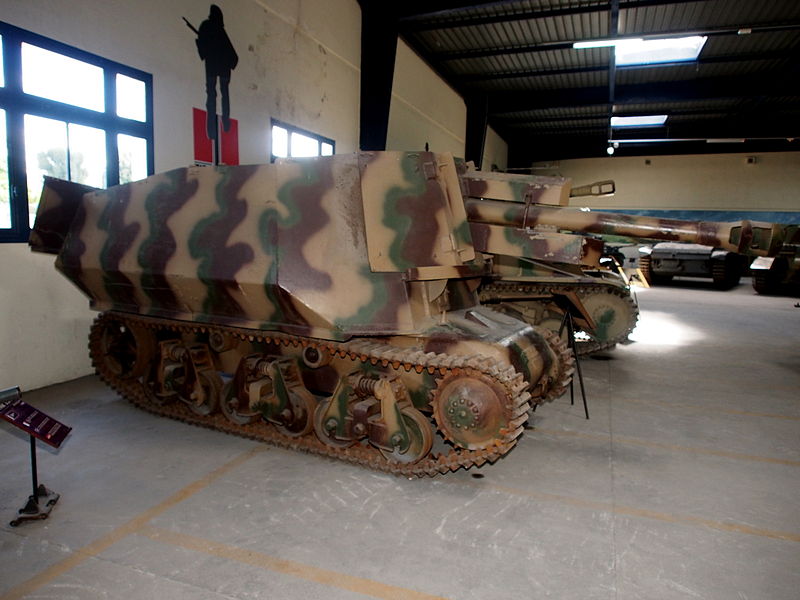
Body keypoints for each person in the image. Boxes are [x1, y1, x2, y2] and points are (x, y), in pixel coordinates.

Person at [195, 5, 238, 139]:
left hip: (213, 68)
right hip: (221, 69)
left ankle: (213, 130)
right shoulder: (218, 29)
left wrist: (203, 45)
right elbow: (232, 54)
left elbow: (202, 45)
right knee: (222, 95)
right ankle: (224, 125)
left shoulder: (206, 26)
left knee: (212, 96)